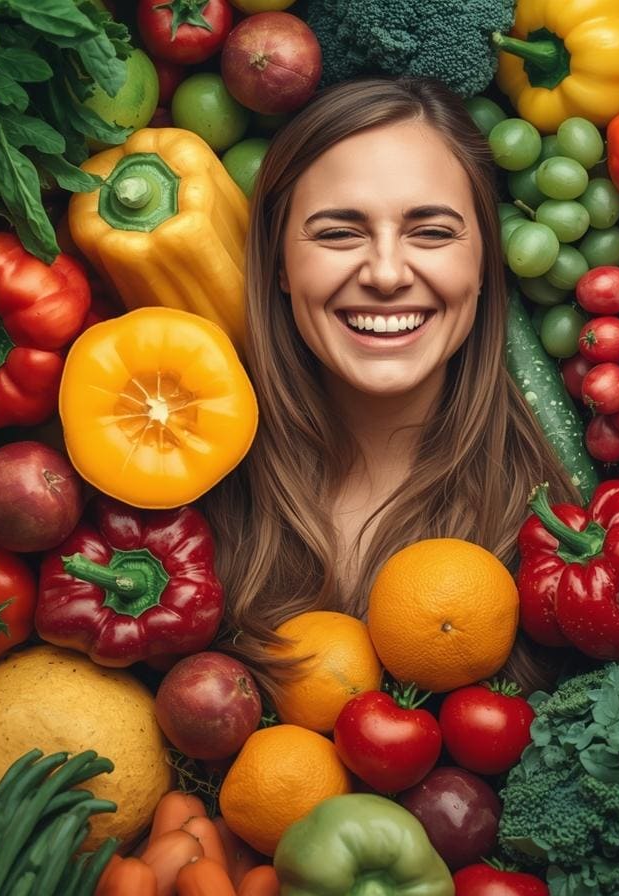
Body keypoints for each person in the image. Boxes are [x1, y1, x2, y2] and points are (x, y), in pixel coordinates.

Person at [199, 76, 587, 700]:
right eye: (337, 232)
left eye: (431, 232)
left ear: (485, 263)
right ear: (277, 265)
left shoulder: (565, 524)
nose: (385, 273)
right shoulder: (193, 497)